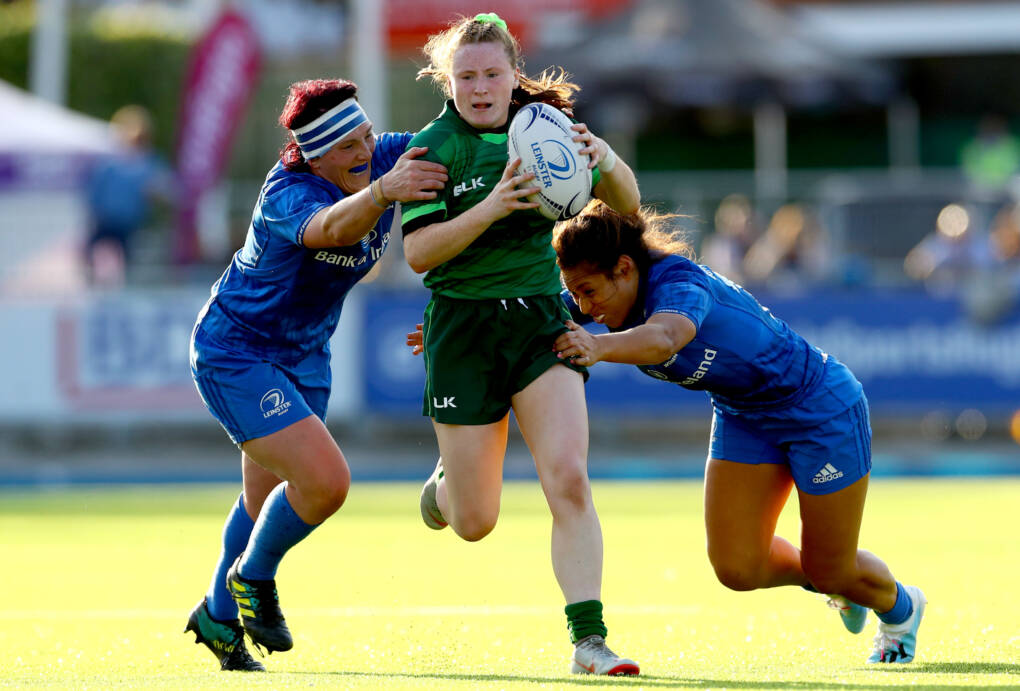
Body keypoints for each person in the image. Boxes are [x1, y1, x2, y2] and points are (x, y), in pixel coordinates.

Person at [549, 199, 926, 665]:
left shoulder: (680, 282)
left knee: (832, 569)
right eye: (577, 295)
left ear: (624, 268)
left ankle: (902, 610)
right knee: (737, 568)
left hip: (819, 408)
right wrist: (445, 333)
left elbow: (666, 337)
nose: (583, 307)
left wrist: (596, 345)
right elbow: (535, 315)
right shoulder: (603, 294)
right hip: (743, 414)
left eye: (588, 292)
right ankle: (832, 583)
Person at [400, 13, 642, 676]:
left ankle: (590, 641)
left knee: (567, 475)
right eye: (467, 76)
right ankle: (445, 488)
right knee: (475, 520)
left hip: (539, 320)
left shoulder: (543, 131)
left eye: (492, 74)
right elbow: (419, 252)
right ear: (448, 82)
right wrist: (490, 207)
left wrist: (607, 160)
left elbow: (627, 205)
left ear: (512, 77)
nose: (480, 87)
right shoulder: (431, 147)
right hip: (464, 329)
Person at [184, 78, 448, 672]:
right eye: (348, 147)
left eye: (368, 137)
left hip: (305, 354)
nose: (364, 151)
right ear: (314, 155)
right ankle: (253, 578)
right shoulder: (288, 192)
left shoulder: (381, 160)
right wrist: (383, 190)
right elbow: (333, 229)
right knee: (326, 483)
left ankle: (218, 617)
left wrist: (518, 119)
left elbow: (449, 141)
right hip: (238, 352)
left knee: (262, 501)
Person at [82, 104, 175, 287]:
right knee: (90, 257)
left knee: (127, 263)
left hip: (131, 225)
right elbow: (94, 193)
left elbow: (169, 192)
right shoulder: (109, 162)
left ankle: (122, 287)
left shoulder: (149, 163)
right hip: (106, 221)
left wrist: (157, 195)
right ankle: (91, 284)